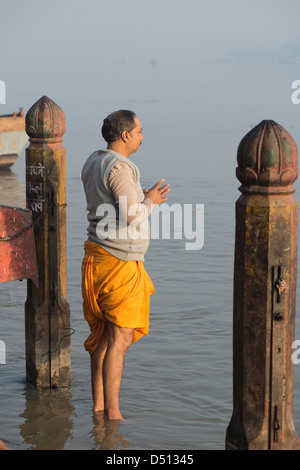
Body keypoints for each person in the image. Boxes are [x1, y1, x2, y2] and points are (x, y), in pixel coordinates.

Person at [81, 110, 170, 420]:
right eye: (140, 131)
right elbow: (133, 215)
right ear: (126, 135)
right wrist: (150, 202)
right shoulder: (120, 167)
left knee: (104, 336)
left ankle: (98, 407)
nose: (143, 137)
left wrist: (141, 196)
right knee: (119, 339)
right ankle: (114, 415)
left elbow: (108, 202)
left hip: (96, 257)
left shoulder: (95, 160)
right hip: (119, 262)